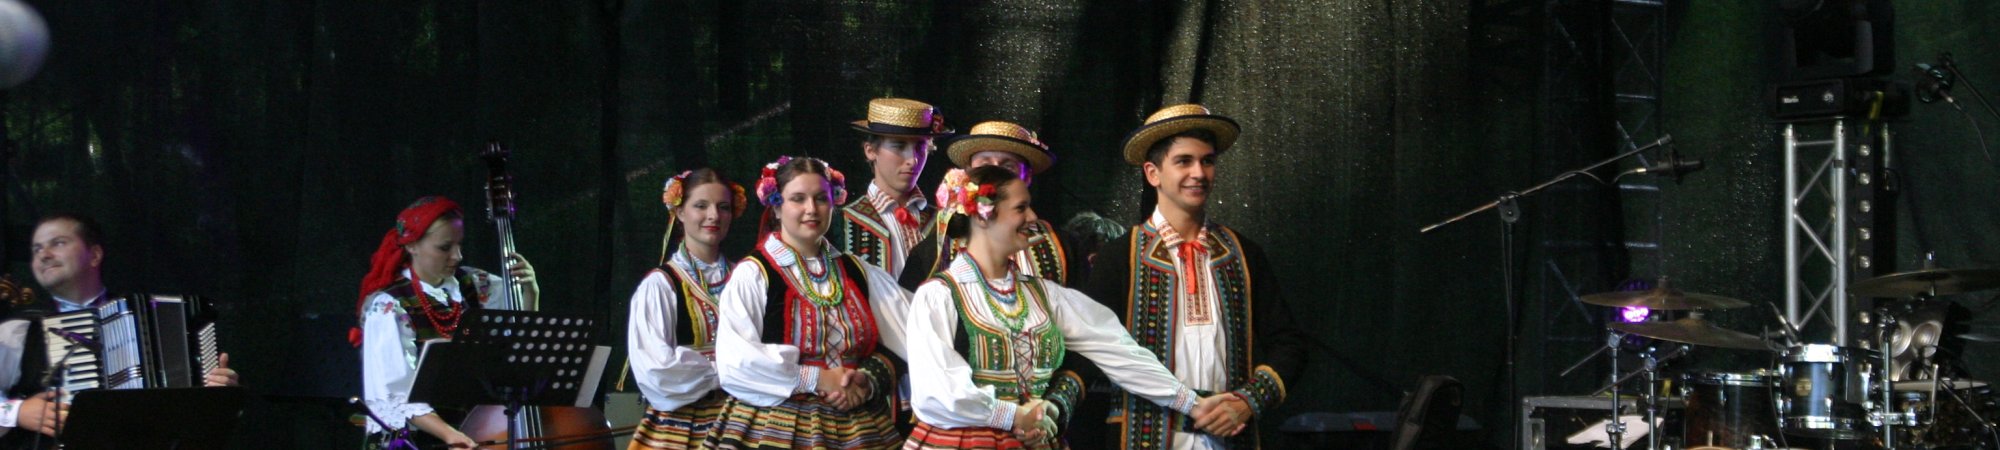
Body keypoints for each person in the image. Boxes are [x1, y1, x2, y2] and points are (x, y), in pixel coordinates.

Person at [904, 165, 1224, 449]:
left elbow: (1118, 350)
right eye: (1021, 208)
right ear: (983, 215)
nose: (1032, 218)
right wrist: (1014, 415)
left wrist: (1192, 403)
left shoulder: (1043, 295)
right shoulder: (939, 296)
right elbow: (937, 391)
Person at [1084, 105, 1309, 449]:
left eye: (1207, 161)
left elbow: (1289, 343)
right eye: (1184, 161)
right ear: (1153, 173)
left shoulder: (1243, 254)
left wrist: (1248, 401)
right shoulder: (1121, 256)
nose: (1199, 173)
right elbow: (1089, 349)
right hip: (1146, 438)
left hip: (1230, 437)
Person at [709, 156, 914, 449]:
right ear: (777, 206)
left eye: (821, 198)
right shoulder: (754, 274)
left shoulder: (857, 271)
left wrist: (866, 380)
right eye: (798, 199)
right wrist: (817, 378)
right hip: (776, 426)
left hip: (857, 424)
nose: (811, 209)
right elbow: (736, 361)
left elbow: (912, 335)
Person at [0, 213, 241, 446]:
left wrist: (219, 394)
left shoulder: (157, 316)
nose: (44, 255)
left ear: (94, 255)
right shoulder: (19, 332)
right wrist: (18, 412)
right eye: (36, 249)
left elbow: (198, 418)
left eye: (58, 243)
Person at [357, 197, 540, 449]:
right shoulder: (389, 306)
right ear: (412, 246)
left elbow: (517, 345)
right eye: (444, 248)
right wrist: (449, 434)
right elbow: (394, 395)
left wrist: (530, 294)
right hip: (416, 438)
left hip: (471, 429)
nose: (457, 256)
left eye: (459, 245)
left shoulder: (476, 285)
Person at [626, 169, 747, 449]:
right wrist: (733, 371)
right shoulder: (660, 285)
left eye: (723, 207)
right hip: (682, 428)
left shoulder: (748, 278)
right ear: (679, 212)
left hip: (743, 423)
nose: (714, 215)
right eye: (701, 206)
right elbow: (658, 372)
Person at [898, 121, 1076, 290]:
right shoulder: (934, 251)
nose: (995, 174)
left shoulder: (1062, 246)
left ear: (1027, 177)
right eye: (985, 165)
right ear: (968, 173)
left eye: (1008, 166)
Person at [837, 98, 953, 276]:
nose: (913, 159)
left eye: (920, 146)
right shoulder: (843, 223)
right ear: (870, 150)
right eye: (899, 146)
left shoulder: (942, 223)